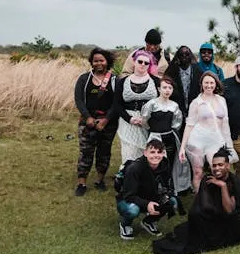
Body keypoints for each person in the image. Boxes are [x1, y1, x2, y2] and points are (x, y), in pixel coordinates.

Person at [151, 147, 240, 254]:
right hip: (214, 220)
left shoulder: (236, 183)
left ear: (228, 166)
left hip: (231, 222)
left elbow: (229, 211)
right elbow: (204, 207)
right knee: (195, 216)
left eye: (220, 165)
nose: (216, 168)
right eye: (214, 165)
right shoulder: (207, 180)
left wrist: (223, 187)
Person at [179, 72, 236, 193]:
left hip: (216, 140)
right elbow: (189, 125)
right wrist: (182, 147)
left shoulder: (221, 100)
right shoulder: (196, 102)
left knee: (217, 171)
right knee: (198, 172)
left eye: (211, 83)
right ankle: (200, 201)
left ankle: (219, 200)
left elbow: (225, 124)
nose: (209, 85)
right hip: (197, 140)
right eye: (206, 83)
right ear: (201, 84)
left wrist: (229, 145)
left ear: (216, 84)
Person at [74, 47, 119, 196]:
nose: (98, 63)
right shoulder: (84, 79)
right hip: (87, 122)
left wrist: (106, 120)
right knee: (86, 152)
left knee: (104, 152)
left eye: (101, 60)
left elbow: (117, 103)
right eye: (95, 60)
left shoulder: (114, 80)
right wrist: (88, 117)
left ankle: (100, 180)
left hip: (108, 124)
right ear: (91, 62)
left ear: (107, 62)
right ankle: (81, 183)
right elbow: (79, 100)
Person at [115, 138, 176, 240]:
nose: (156, 155)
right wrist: (147, 204)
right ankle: (125, 224)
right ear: (145, 153)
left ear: (163, 153)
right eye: (152, 152)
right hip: (129, 199)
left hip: (151, 196)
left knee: (172, 201)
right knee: (133, 210)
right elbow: (129, 195)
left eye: (159, 152)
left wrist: (166, 197)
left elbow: (169, 186)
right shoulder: (134, 168)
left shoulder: (165, 165)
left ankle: (149, 221)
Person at [140, 75, 185, 208]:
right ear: (159, 88)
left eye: (170, 88)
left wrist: (170, 131)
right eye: (164, 87)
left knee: (169, 164)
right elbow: (144, 121)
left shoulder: (174, 105)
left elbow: (177, 122)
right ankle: (152, 191)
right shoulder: (152, 104)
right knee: (154, 164)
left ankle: (169, 191)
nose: (167, 90)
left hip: (169, 138)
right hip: (155, 137)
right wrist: (152, 131)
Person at [113, 50, 160, 163]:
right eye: (140, 61)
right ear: (134, 62)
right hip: (128, 121)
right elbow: (117, 104)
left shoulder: (156, 81)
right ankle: (128, 176)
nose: (143, 64)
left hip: (149, 122)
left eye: (146, 63)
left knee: (148, 152)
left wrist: (148, 119)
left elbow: (160, 102)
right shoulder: (122, 82)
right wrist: (130, 119)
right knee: (129, 153)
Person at [163, 45, 202, 117]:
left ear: (190, 56)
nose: (184, 57)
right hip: (175, 109)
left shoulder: (197, 70)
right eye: (181, 55)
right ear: (178, 56)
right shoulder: (171, 70)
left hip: (194, 110)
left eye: (187, 54)